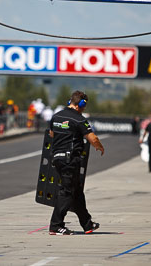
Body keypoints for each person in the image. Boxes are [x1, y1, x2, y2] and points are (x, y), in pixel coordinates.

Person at [48, 90, 105, 235]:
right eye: (84, 106)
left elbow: (51, 134)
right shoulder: (79, 119)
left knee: (77, 192)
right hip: (70, 160)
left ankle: (87, 224)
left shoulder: (56, 116)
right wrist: (99, 146)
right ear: (81, 104)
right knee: (67, 192)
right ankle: (56, 225)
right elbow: (92, 138)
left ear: (69, 101)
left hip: (57, 158)